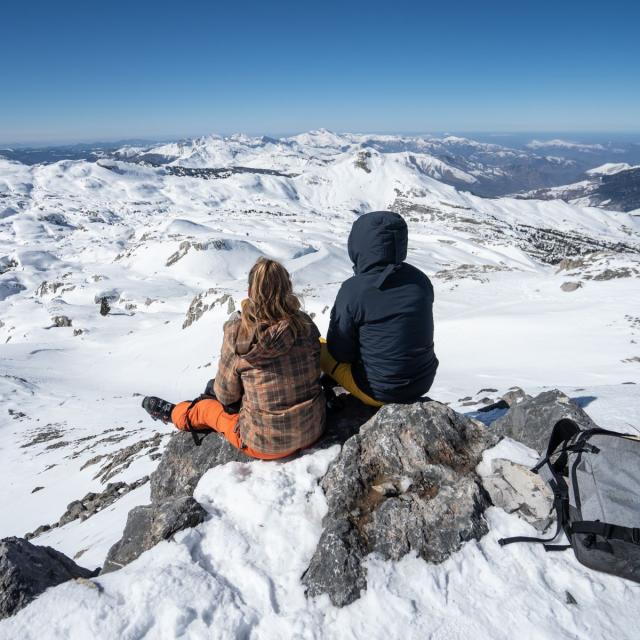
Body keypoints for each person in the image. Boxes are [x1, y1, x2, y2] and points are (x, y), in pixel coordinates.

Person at [143, 258, 326, 459]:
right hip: (313, 429)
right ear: (288, 289)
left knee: (206, 409)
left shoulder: (238, 332)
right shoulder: (304, 324)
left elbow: (226, 395)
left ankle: (175, 414)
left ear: (250, 292)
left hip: (264, 444)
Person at [321, 210, 438, 407]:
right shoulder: (420, 280)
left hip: (379, 391)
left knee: (318, 348)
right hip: (422, 381)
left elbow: (340, 353)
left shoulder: (354, 290)